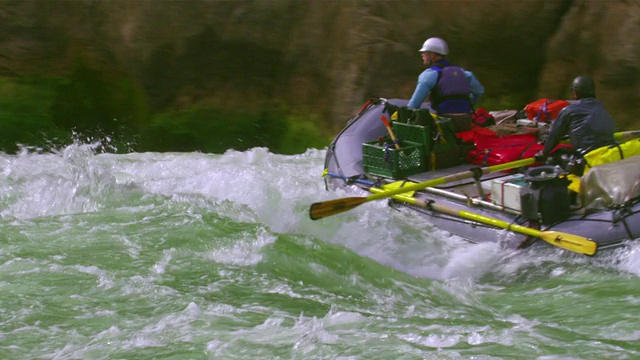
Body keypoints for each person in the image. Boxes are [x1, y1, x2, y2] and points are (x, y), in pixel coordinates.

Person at [407, 37, 484, 131]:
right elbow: (479, 91)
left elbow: (415, 104)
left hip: (445, 122)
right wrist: (466, 105)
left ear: (432, 55)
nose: (422, 54)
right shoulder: (464, 72)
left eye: (425, 52)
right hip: (466, 120)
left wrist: (405, 115)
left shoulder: (429, 74)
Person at [537, 75, 616, 160]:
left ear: (575, 93)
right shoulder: (601, 107)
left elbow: (554, 136)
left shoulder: (569, 110)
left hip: (587, 157)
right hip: (608, 153)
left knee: (556, 155)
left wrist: (543, 153)